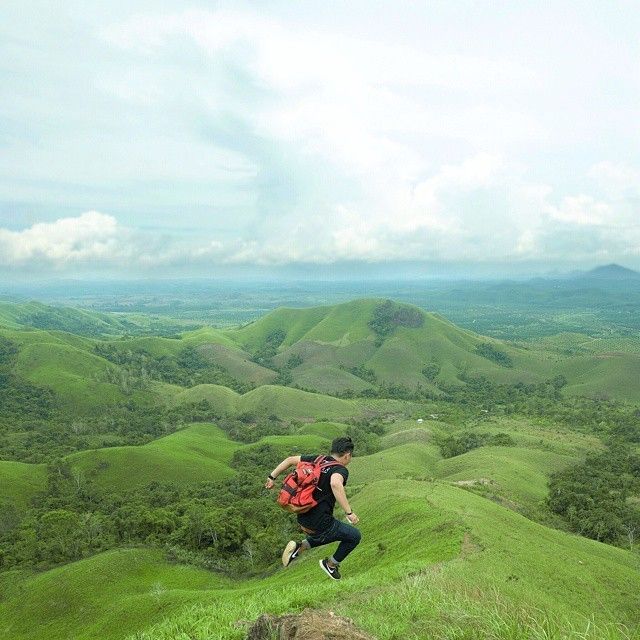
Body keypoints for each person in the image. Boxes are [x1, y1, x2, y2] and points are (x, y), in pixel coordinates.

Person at [264, 436, 361, 580]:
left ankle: (299, 548)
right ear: (347, 455)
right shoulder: (340, 469)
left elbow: (290, 460)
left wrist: (271, 477)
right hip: (320, 521)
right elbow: (335, 484)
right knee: (354, 536)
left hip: (302, 515)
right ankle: (331, 565)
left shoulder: (318, 459)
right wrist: (349, 512)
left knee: (327, 534)